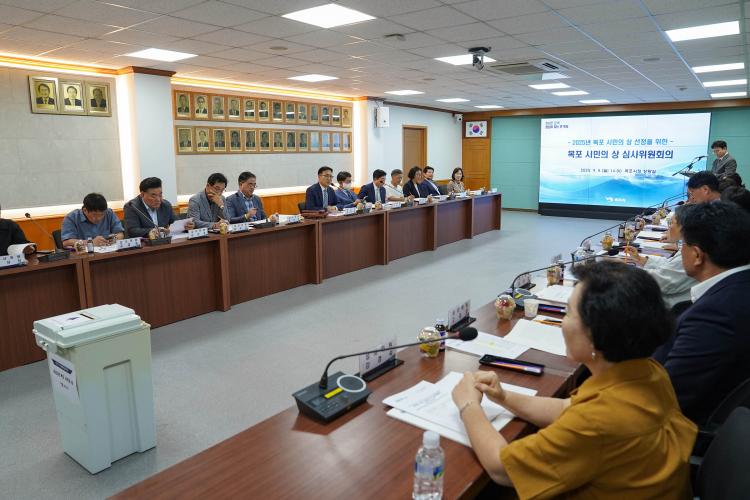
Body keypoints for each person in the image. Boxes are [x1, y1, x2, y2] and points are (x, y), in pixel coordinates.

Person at [452, 261, 696, 498]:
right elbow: (565, 408)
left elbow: (501, 469)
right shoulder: (648, 371)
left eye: (568, 313)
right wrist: (504, 397)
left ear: (596, 334)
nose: (562, 324)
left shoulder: (600, 420)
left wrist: (469, 405)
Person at [653, 201, 750, 424]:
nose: (680, 251)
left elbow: (664, 396)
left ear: (697, 255)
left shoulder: (717, 314)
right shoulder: (737, 288)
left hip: (677, 428)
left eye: (683, 245)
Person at [625, 205, 697, 308]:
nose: (669, 227)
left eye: (671, 223)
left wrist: (624, 271)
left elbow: (660, 281)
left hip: (667, 308)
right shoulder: (690, 245)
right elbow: (670, 265)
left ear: (684, 228)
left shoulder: (691, 253)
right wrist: (640, 259)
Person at [124, 177, 194, 238]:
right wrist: (152, 231)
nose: (158, 199)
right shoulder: (132, 206)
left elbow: (176, 223)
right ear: (142, 194)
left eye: (160, 195)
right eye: (153, 196)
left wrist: (186, 227)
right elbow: (132, 231)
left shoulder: (165, 205)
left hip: (165, 243)